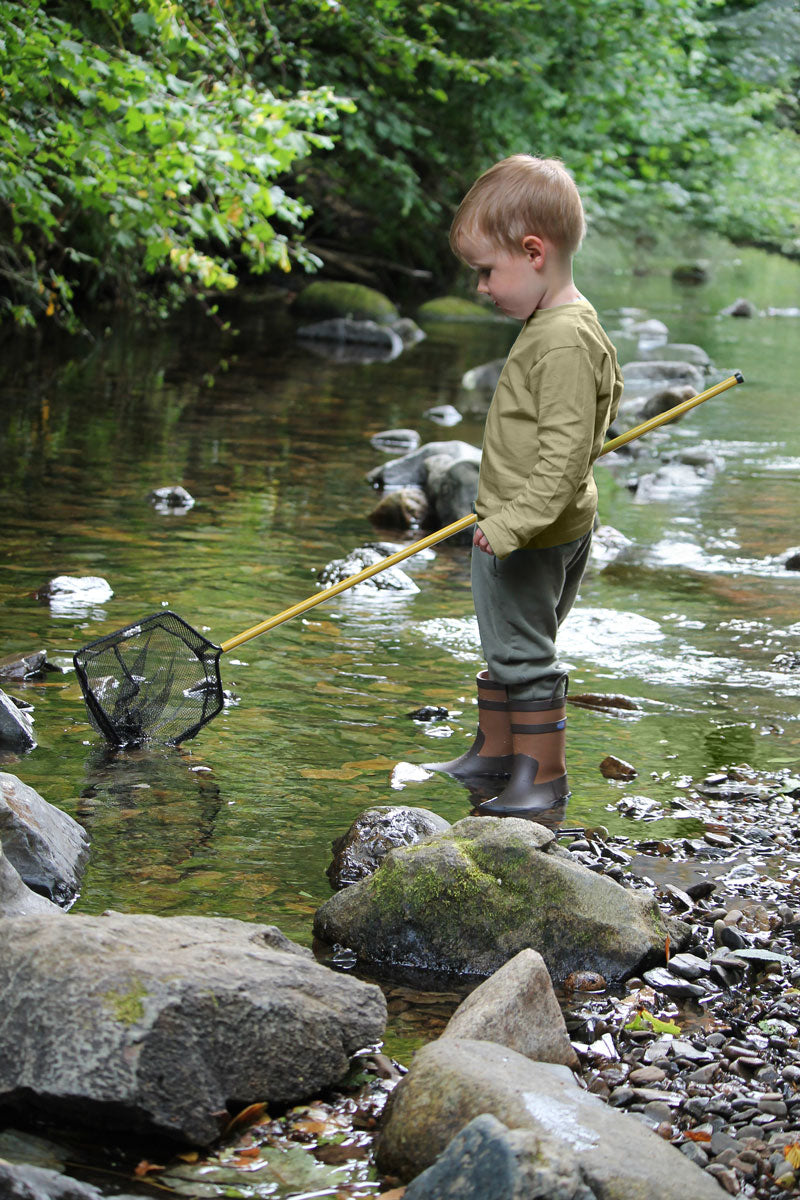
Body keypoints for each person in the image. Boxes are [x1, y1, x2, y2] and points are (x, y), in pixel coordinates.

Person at [425, 154, 623, 824]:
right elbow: (609, 399)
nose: (481, 287)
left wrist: (508, 528)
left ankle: (541, 781)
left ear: (533, 252)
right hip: (543, 521)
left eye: (487, 271)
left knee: (521, 651)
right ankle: (494, 755)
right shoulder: (570, 322)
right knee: (506, 639)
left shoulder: (561, 340)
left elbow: (566, 459)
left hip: (531, 530)